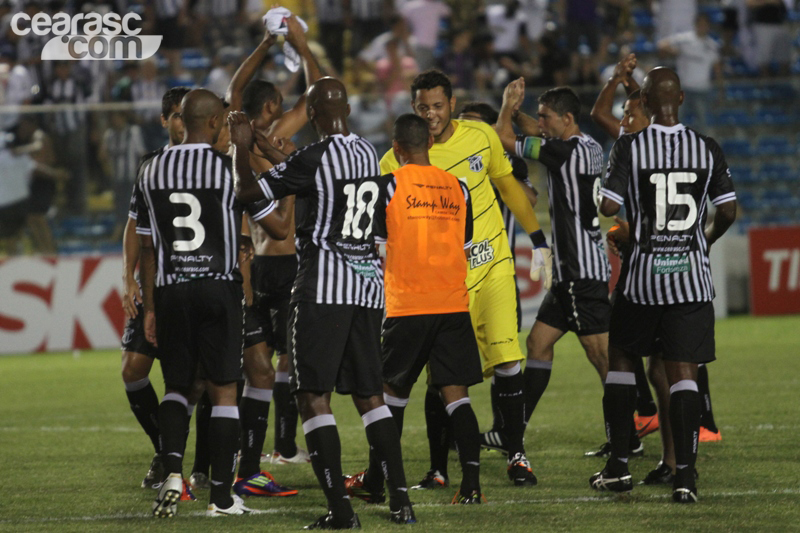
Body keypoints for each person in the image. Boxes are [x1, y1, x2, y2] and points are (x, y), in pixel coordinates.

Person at [229, 77, 416, 528]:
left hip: (324, 290)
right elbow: (320, 178)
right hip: (367, 288)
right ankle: (401, 502)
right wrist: (280, 157)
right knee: (371, 397)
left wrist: (240, 149)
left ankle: (340, 510)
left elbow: (246, 194)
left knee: (313, 396)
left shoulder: (314, 157)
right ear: (348, 109)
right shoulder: (366, 152)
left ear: (311, 116)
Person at [378, 69, 550, 489]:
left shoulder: (480, 137)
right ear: (413, 108)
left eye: (437, 106)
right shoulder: (397, 157)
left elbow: (508, 188)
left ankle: (517, 454)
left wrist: (540, 241)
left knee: (509, 360)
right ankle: (439, 468)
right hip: (445, 282)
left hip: (492, 267)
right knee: (442, 377)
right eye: (423, 108)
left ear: (451, 104)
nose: (431, 115)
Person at [593, 67, 737, 503]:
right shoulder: (706, 148)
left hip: (642, 279)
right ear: (682, 102)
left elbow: (607, 205)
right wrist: (702, 242)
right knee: (683, 375)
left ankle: (619, 466)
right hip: (691, 280)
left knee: (620, 358)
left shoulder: (631, 146)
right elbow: (728, 211)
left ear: (648, 104)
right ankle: (686, 477)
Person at [347, 113, 485, 505]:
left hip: (407, 305)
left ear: (396, 148)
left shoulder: (388, 185)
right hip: (453, 304)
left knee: (389, 396)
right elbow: (466, 246)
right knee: (457, 397)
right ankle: (471, 486)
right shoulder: (458, 187)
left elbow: (374, 248)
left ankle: (379, 480)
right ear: (429, 144)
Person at [495, 80, 622, 469]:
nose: (542, 123)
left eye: (548, 116)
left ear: (567, 119)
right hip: (571, 273)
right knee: (538, 344)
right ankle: (512, 430)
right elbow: (536, 132)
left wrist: (506, 108)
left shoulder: (565, 152)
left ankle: (627, 436)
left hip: (581, 274)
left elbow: (506, 139)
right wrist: (523, 114)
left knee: (603, 359)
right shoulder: (585, 147)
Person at [136, 89, 250, 517]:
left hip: (170, 290)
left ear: (180, 119)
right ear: (216, 122)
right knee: (223, 390)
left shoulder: (150, 170)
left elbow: (148, 249)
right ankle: (221, 497)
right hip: (217, 286)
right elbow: (265, 216)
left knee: (177, 388)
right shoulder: (226, 169)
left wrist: (149, 307)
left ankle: (171, 471)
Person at [224, 15, 325, 467]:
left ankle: (246, 455)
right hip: (286, 264)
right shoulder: (273, 138)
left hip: (253, 265)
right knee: (289, 363)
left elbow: (232, 91)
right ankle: (284, 447)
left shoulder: (235, 141)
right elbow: (317, 97)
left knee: (256, 368)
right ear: (271, 109)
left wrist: (266, 42)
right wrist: (302, 46)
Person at [456, 102, 538, 451]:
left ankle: (505, 434)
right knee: (452, 362)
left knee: (504, 356)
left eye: (477, 126)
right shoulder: (449, 157)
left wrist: (494, 167)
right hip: (454, 275)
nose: (469, 131)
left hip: (494, 273)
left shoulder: (505, 163)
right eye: (465, 124)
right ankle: (450, 436)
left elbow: (530, 198)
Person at [121, 87, 191, 492]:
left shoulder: (213, 163)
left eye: (188, 114)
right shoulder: (150, 165)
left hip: (195, 282)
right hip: (154, 282)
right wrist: (127, 277)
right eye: (176, 115)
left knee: (190, 381)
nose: (182, 122)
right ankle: (164, 451)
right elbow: (134, 223)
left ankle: (191, 463)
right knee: (133, 371)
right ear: (164, 120)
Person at [658, 14, 722, 131]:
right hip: (683, 89)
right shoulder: (685, 39)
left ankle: (700, 147)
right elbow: (662, 44)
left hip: (702, 90)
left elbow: (717, 68)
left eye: (705, 25)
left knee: (703, 124)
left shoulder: (712, 45)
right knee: (675, 121)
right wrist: (676, 52)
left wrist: (720, 90)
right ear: (696, 25)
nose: (703, 27)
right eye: (700, 24)